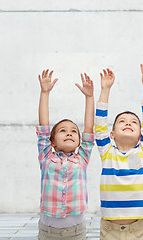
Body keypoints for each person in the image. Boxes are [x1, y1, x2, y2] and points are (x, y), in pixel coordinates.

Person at [94, 66, 143, 240]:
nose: (128, 123)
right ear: (112, 134)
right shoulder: (107, 152)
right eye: (122, 121)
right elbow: (99, 125)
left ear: (141, 135)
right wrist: (105, 89)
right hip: (109, 228)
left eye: (134, 122)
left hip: (136, 228)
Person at [36, 69, 95, 239]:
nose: (69, 133)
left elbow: (89, 130)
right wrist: (45, 93)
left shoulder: (82, 158)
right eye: (62, 131)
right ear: (52, 141)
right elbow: (43, 127)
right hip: (48, 231)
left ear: (79, 140)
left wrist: (89, 98)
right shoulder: (46, 157)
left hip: (76, 231)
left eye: (74, 131)